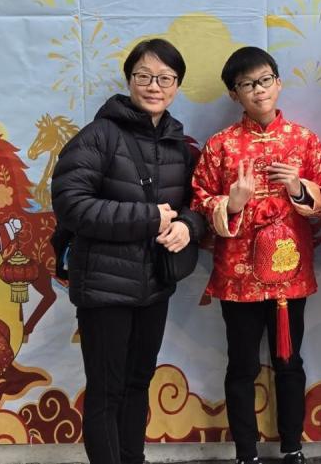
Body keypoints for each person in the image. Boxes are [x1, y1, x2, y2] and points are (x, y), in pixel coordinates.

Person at [51, 38, 208, 464]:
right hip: (104, 287)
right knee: (107, 389)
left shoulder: (179, 145)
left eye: (165, 78)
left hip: (155, 283)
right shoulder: (98, 136)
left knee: (139, 382)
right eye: (144, 76)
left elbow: (198, 204)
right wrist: (147, 219)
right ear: (129, 80)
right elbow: (71, 204)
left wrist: (188, 227)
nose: (154, 86)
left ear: (177, 86)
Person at [192, 46, 321, 464]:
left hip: (288, 275)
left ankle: (292, 447)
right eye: (247, 84)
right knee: (241, 365)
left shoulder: (304, 140)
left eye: (264, 80)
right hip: (237, 276)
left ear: (278, 83)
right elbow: (199, 199)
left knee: (289, 363)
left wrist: (297, 187)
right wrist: (233, 203)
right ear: (234, 94)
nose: (258, 91)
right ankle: (246, 452)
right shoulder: (220, 146)